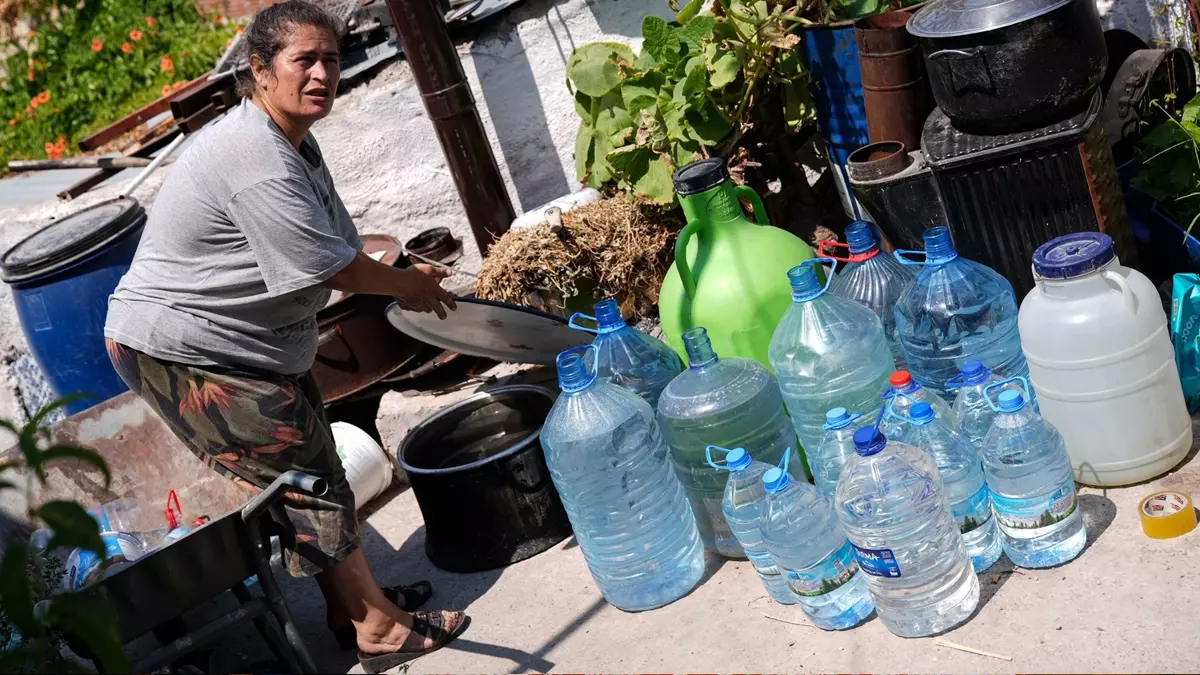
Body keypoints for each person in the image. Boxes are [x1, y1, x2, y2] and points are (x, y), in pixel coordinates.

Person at [103, 2, 465, 671]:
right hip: (185, 348)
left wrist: (391, 272)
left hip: (241, 337)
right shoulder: (255, 157)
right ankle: (376, 628)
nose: (323, 72)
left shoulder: (292, 138)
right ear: (260, 71)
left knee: (314, 460)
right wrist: (408, 284)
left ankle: (352, 606)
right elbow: (333, 266)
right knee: (304, 478)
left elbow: (337, 239)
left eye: (331, 58)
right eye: (305, 59)